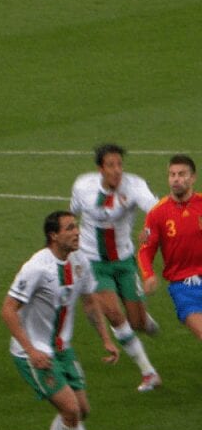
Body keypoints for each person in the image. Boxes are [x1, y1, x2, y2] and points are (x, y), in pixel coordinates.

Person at [1, 211, 118, 430]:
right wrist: (31, 350)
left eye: (76, 227)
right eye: (69, 228)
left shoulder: (79, 261)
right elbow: (7, 310)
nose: (77, 232)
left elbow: (90, 303)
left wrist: (106, 339)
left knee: (81, 411)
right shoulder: (37, 267)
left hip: (62, 349)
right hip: (34, 351)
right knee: (71, 410)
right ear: (54, 235)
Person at [69, 144, 161, 392]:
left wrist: (151, 229)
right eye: (111, 165)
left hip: (124, 260)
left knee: (137, 322)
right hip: (94, 263)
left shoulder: (134, 186)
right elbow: (71, 216)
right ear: (100, 168)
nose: (117, 170)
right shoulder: (83, 186)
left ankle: (143, 320)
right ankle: (149, 373)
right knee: (114, 314)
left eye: (120, 164)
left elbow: (156, 210)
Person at [138, 154, 202, 340]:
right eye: (172, 174)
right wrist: (148, 275)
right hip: (183, 287)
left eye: (181, 174)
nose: (176, 179)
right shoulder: (157, 213)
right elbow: (145, 250)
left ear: (193, 178)